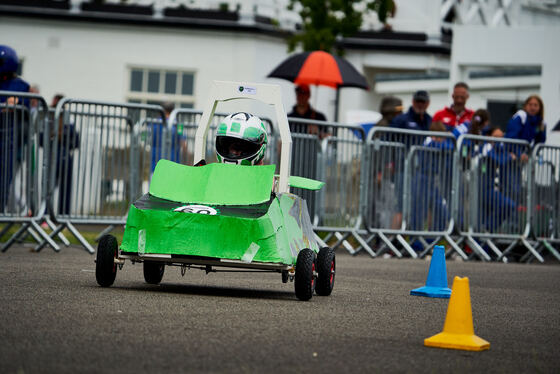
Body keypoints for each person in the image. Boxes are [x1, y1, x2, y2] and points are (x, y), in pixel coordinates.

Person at [0, 45, 31, 212]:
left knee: (7, 180)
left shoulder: (20, 85)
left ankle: (24, 212)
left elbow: (16, 105)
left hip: (10, 141)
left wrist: (12, 104)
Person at [51, 94, 80, 215]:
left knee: (66, 188)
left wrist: (61, 137)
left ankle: (64, 215)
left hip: (66, 156)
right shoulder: (49, 117)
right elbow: (42, 139)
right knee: (49, 189)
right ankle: (46, 214)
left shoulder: (70, 120)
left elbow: (75, 142)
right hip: (52, 156)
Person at [150, 102, 187, 173]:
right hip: (173, 163)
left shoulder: (154, 123)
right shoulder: (177, 125)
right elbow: (183, 144)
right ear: (173, 111)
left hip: (156, 163)